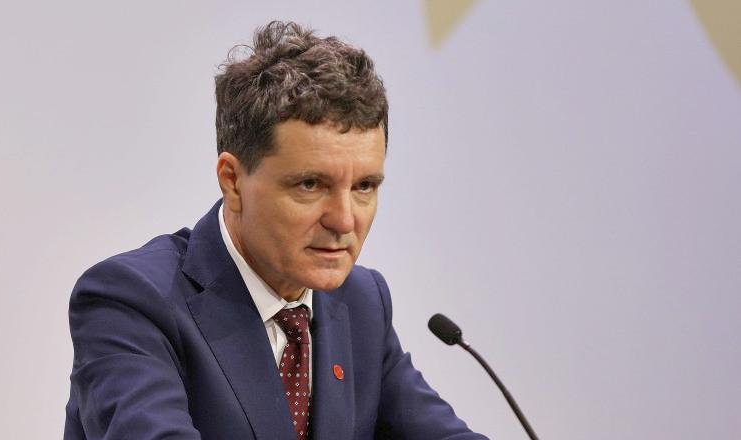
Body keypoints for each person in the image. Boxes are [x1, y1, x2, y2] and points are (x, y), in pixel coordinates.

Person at [63, 21, 488, 440]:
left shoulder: (361, 303)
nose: (344, 220)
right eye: (310, 184)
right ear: (233, 181)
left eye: (364, 187)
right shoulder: (132, 301)